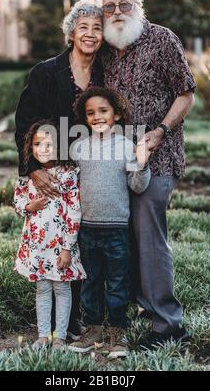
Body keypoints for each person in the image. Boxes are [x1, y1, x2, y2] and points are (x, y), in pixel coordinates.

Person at [96, 0, 196, 350]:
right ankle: (145, 305)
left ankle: (169, 324)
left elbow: (186, 94)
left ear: (139, 6)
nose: (117, 11)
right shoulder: (105, 49)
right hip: (114, 161)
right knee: (126, 236)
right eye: (110, 7)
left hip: (158, 156)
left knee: (149, 235)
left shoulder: (162, 39)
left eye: (125, 4)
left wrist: (160, 131)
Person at [15, 0, 104, 340]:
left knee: (84, 237)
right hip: (54, 170)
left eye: (97, 28)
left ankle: (84, 316)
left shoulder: (106, 72)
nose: (90, 34)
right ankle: (54, 325)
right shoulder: (46, 72)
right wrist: (34, 167)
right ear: (70, 32)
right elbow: (25, 121)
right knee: (54, 238)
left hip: (94, 168)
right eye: (83, 27)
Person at [68, 86, 151, 358]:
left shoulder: (126, 146)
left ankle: (117, 333)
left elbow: (137, 186)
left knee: (117, 283)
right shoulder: (78, 147)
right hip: (87, 228)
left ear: (116, 115)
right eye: (90, 112)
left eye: (103, 111)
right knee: (90, 282)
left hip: (116, 229)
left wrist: (142, 163)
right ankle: (93, 330)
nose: (97, 116)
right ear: (85, 117)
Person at [13, 120, 86, 351]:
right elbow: (17, 202)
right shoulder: (28, 177)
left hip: (60, 246)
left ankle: (61, 337)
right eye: (37, 144)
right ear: (30, 147)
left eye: (49, 144)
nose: (43, 149)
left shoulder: (67, 174)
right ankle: (43, 335)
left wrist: (67, 247)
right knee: (42, 289)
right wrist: (29, 206)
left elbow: (74, 212)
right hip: (37, 244)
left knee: (62, 289)